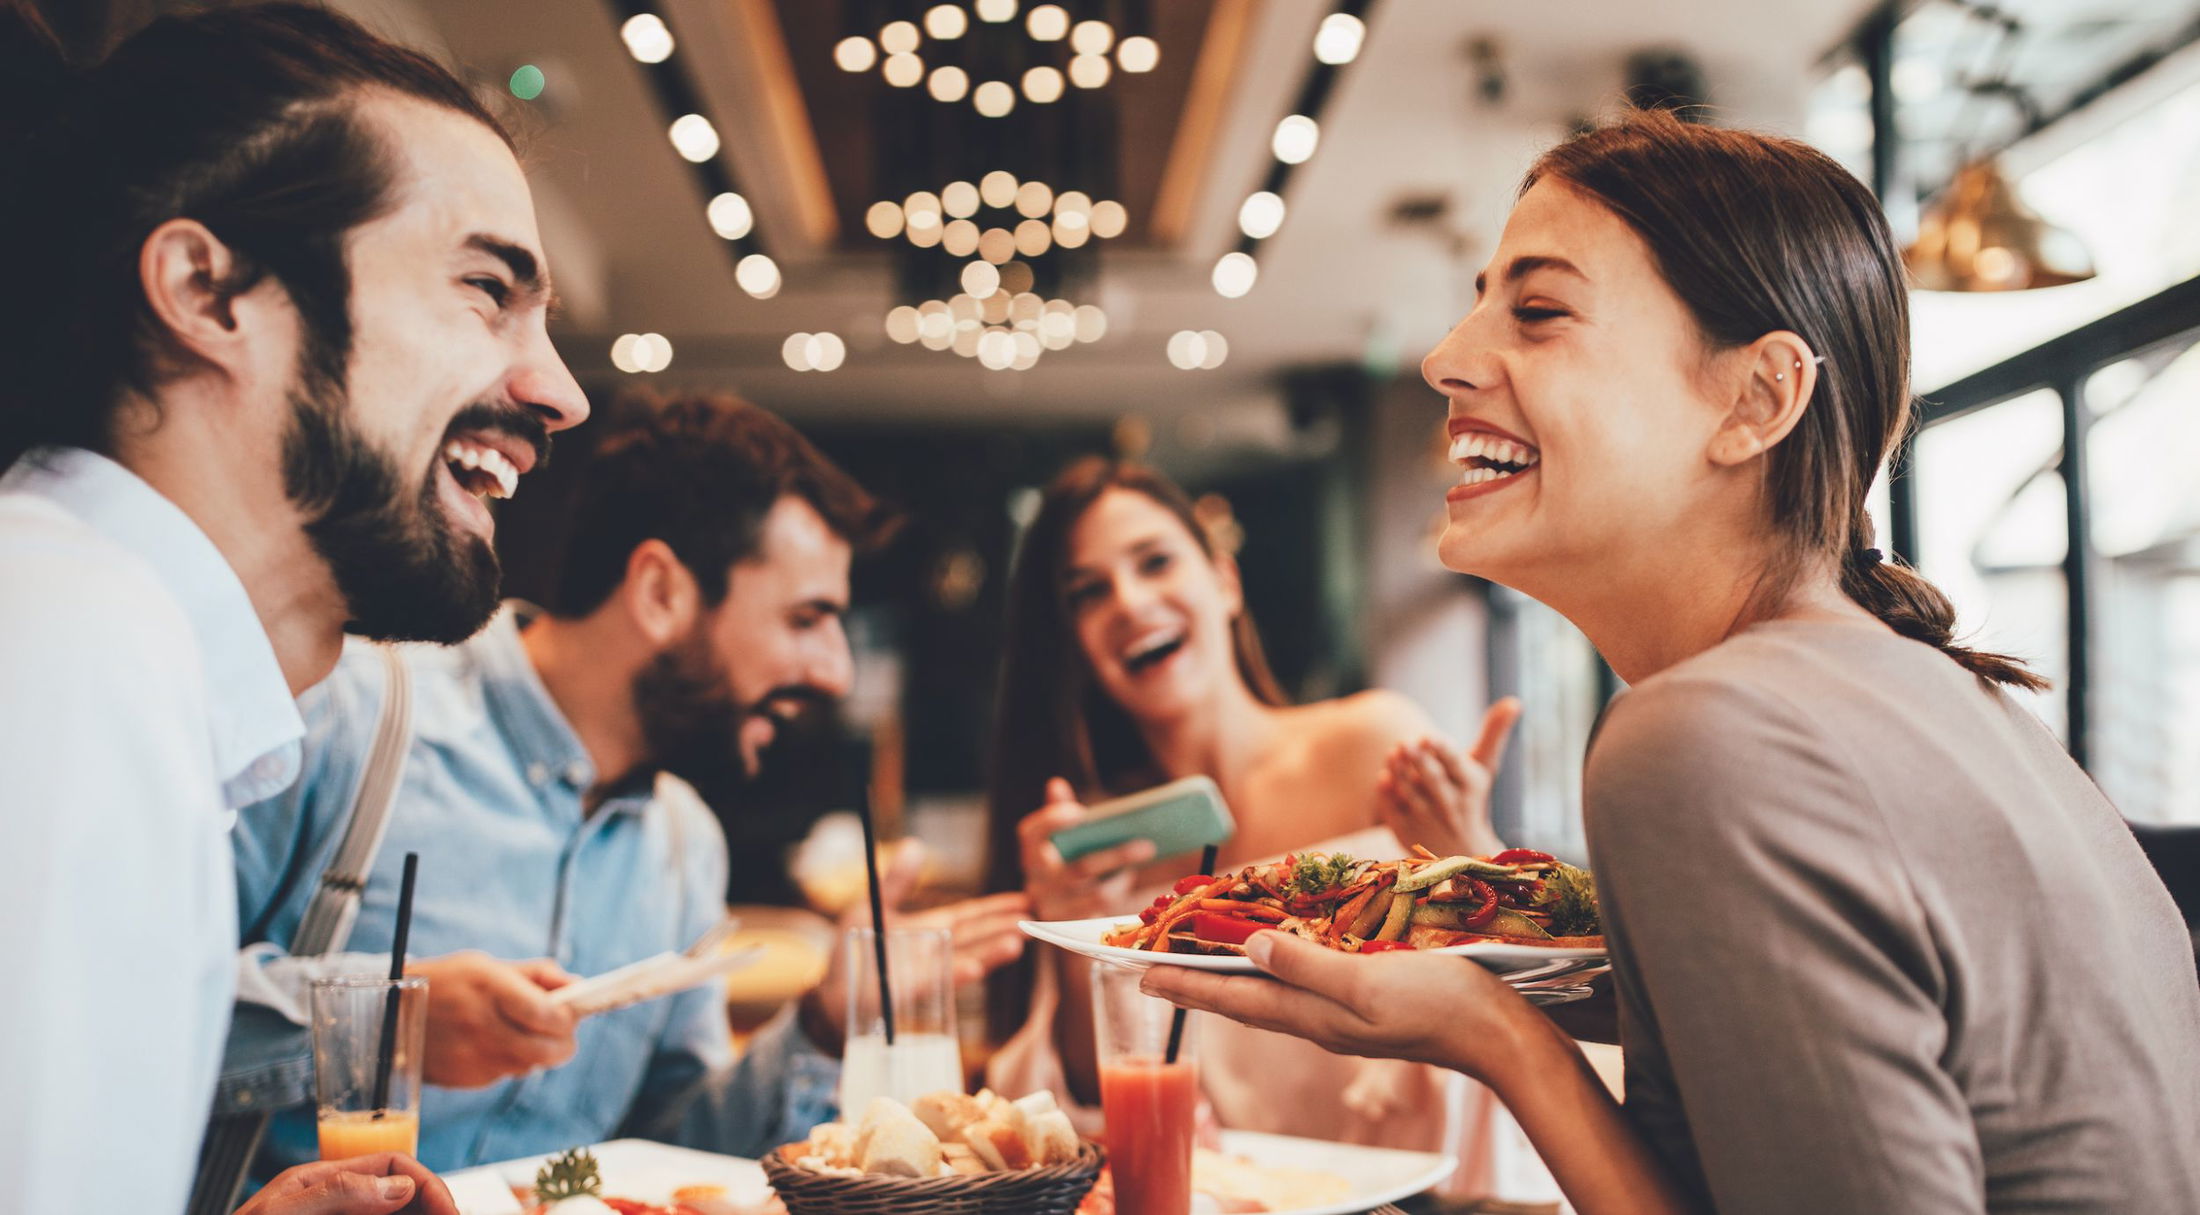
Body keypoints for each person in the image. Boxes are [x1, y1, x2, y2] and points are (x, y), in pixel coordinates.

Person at [1141, 109, 2200, 1214]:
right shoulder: (1959, 704)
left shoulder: (1707, 732)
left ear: (1755, 400)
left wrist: (1494, 1032)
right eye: (1475, 305)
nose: (1445, 360)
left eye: (1538, 312)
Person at [0, 2, 589, 1212]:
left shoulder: (116, 647)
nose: (560, 392)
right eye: (487, 289)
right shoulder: (66, 647)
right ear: (210, 292)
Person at [226, 394, 1032, 1176]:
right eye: (805, 618)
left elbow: (676, 1149)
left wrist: (824, 1022)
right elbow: (126, 1004)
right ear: (660, 592)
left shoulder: (684, 843)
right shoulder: (343, 715)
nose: (836, 670)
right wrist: (389, 1023)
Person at [983, 457, 1525, 1190]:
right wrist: (1069, 925)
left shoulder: (1370, 747)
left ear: (1224, 581)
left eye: (1155, 561)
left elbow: (1509, 995)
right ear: (1073, 641)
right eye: (1087, 593)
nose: (1130, 602)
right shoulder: (1100, 848)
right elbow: (1096, 1094)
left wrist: (1474, 853)